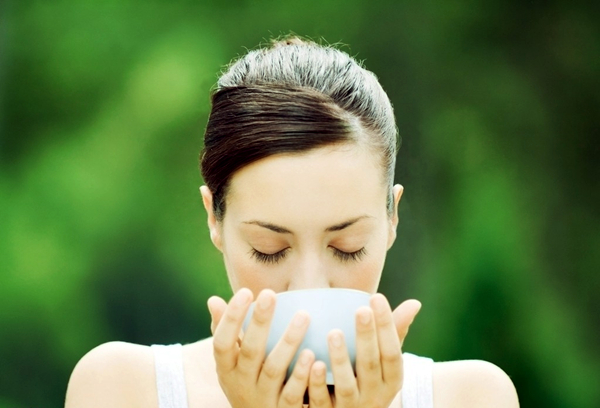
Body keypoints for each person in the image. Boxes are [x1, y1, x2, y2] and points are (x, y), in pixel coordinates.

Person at [65, 36, 519, 408]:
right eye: (269, 250)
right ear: (214, 219)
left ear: (392, 218)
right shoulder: (120, 388)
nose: (308, 288)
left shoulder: (473, 397)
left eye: (348, 247)